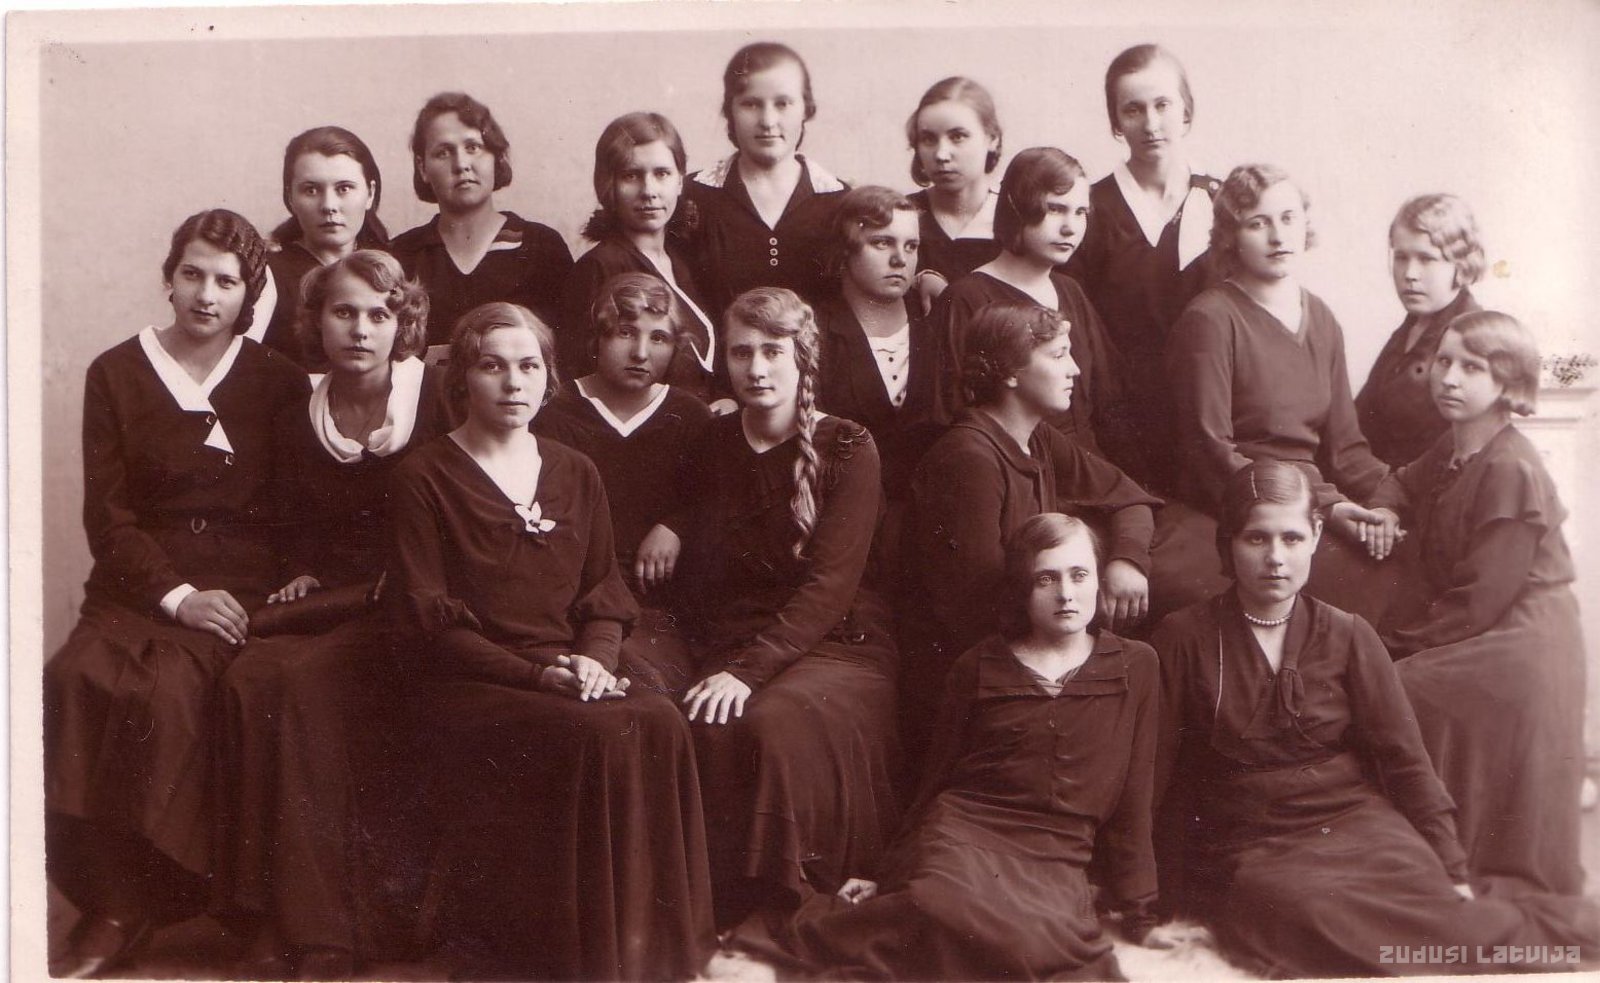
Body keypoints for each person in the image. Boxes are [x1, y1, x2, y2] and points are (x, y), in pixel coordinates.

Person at [1152, 460, 1598, 978]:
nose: (1276, 557)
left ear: (1316, 536)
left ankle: (1529, 938)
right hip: (1251, 841)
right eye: (1256, 538)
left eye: (1292, 538)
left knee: (1429, 899)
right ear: (1228, 542)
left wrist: (1451, 865)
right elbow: (1154, 776)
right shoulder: (1184, 638)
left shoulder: (1348, 634)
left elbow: (1405, 761)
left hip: (1354, 820)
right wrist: (1145, 897)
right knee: (1310, 914)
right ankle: (1513, 945)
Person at [389, 302, 715, 980]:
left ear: (549, 376)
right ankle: (577, 959)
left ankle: (650, 954)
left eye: (529, 366)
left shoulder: (575, 470)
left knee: (659, 721)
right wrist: (540, 677)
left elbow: (604, 592)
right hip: (472, 679)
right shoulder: (424, 476)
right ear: (462, 379)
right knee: (598, 734)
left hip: (566, 666)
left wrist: (595, 662)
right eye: (493, 366)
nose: (514, 382)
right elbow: (432, 624)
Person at [44, 210, 308, 979]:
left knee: (173, 691)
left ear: (250, 294)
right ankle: (112, 901)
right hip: (141, 582)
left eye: (227, 281)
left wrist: (285, 579)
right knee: (76, 676)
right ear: (169, 278)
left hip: (242, 584)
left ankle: (182, 903)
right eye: (192, 274)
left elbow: (301, 504)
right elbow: (109, 517)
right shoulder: (116, 372)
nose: (206, 294)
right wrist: (176, 594)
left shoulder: (278, 379)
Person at [734, 513, 1162, 981]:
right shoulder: (978, 665)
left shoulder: (1135, 666)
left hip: (1056, 850)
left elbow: (1134, 795)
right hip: (967, 828)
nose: (1066, 593)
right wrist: (886, 873)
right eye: (1046, 578)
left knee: (1025, 943)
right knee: (937, 904)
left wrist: (1139, 908)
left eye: (1079, 575)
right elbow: (936, 781)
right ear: (1023, 588)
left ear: (1098, 581)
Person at [211, 250, 448, 980]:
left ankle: (326, 932)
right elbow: (292, 525)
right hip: (332, 600)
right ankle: (261, 910)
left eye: (379, 314)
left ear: (403, 324)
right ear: (316, 321)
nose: (361, 329)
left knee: (305, 683)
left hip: (412, 603)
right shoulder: (298, 417)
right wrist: (301, 569)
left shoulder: (435, 399)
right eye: (344, 312)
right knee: (247, 677)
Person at [647, 287, 900, 930]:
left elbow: (829, 587)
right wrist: (673, 523)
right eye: (741, 353)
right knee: (702, 721)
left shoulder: (848, 446)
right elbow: (707, 516)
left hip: (837, 642)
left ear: (802, 357)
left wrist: (746, 672)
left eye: (773, 352)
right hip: (736, 636)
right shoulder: (712, 441)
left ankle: (791, 896)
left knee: (770, 722)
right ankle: (720, 904)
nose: (756, 368)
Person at [1373, 312, 1587, 896]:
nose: (1449, 377)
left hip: (1527, 638)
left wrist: (1390, 649)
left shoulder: (1511, 466)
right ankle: (1417, 851)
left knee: (1402, 686)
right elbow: (1401, 482)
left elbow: (1478, 603)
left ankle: (1443, 858)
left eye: (1472, 367)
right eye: (1444, 361)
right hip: (1491, 622)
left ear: (1507, 382)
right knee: (1391, 680)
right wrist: (1387, 509)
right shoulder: (1455, 444)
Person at [904, 301, 1158, 784]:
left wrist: (1126, 561)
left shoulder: (1035, 438)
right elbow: (972, 609)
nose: (1075, 369)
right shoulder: (969, 458)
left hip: (1037, 639)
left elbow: (1129, 497)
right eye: (1059, 355)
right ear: (1010, 373)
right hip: (973, 674)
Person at [1164, 164, 1401, 622]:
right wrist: (1325, 506)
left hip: (1310, 505)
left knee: (1394, 571)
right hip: (1234, 505)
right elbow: (1210, 452)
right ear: (1231, 236)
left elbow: (1348, 450)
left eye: (1288, 218)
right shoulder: (1209, 320)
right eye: (1258, 223)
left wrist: (1389, 503)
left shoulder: (1322, 319)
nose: (1278, 236)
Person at [535, 272, 712, 699]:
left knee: (653, 684)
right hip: (574, 599)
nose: (641, 352)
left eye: (659, 338)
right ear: (596, 337)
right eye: (625, 332)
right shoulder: (556, 413)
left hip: (657, 607)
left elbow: (713, 500)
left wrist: (676, 524)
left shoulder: (691, 417)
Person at [1068, 45, 1221, 493]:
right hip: (1121, 416)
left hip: (1209, 408)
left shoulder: (1222, 201)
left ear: (1186, 111)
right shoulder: (1089, 208)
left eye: (1163, 105)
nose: (1151, 124)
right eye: (1133, 110)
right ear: (1116, 122)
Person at [930, 147, 1120, 454]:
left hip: (1086, 463)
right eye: (1055, 209)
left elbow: (1107, 398)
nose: (1070, 227)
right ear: (1017, 209)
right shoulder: (967, 298)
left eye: (1080, 212)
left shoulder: (1070, 291)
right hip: (1014, 468)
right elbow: (949, 418)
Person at [813, 186, 946, 561]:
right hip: (849, 529)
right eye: (882, 243)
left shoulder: (934, 320)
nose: (900, 259)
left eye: (911, 246)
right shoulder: (816, 329)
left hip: (931, 527)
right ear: (846, 249)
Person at [390, 92, 573, 347]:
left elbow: (568, 349)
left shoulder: (541, 247)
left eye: (473, 148)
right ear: (423, 168)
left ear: (496, 157)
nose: (461, 164)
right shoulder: (402, 255)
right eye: (443, 152)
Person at [684, 41, 849, 321]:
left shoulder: (839, 200)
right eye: (751, 104)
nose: (768, 120)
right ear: (730, 111)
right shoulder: (694, 194)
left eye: (783, 104)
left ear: (806, 109)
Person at [560, 112, 718, 398]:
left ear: (680, 181)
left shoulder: (685, 260)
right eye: (631, 175)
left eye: (662, 173)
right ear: (608, 185)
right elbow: (579, 380)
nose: (648, 191)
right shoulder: (599, 267)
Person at [1355, 193, 1486, 467]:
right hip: (1383, 481)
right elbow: (1362, 421)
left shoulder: (1474, 337)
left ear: (1460, 264)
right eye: (1401, 257)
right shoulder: (1410, 329)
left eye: (1426, 259)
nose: (1410, 273)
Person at [256, 125, 391, 368]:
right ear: (290, 197)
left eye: (344, 188)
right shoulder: (268, 273)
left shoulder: (393, 268)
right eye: (311, 190)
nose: (329, 205)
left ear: (370, 193)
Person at [903, 77, 1003, 309]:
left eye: (958, 136)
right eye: (928, 139)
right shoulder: (901, 216)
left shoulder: (1018, 221)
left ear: (992, 139)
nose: (941, 154)